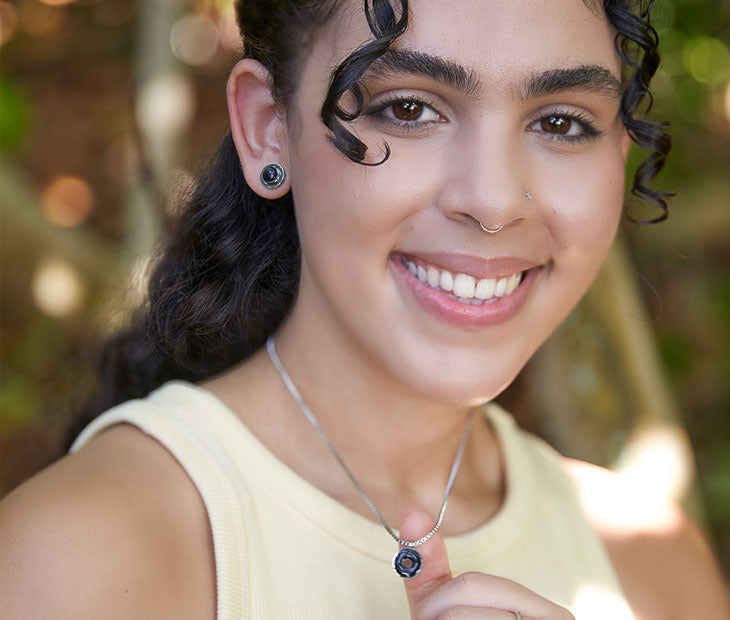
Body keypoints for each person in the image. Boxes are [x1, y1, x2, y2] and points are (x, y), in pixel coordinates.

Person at [1, 0, 729, 618]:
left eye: (562, 122)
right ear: (267, 128)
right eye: (409, 108)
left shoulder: (652, 565)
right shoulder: (77, 560)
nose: (496, 200)